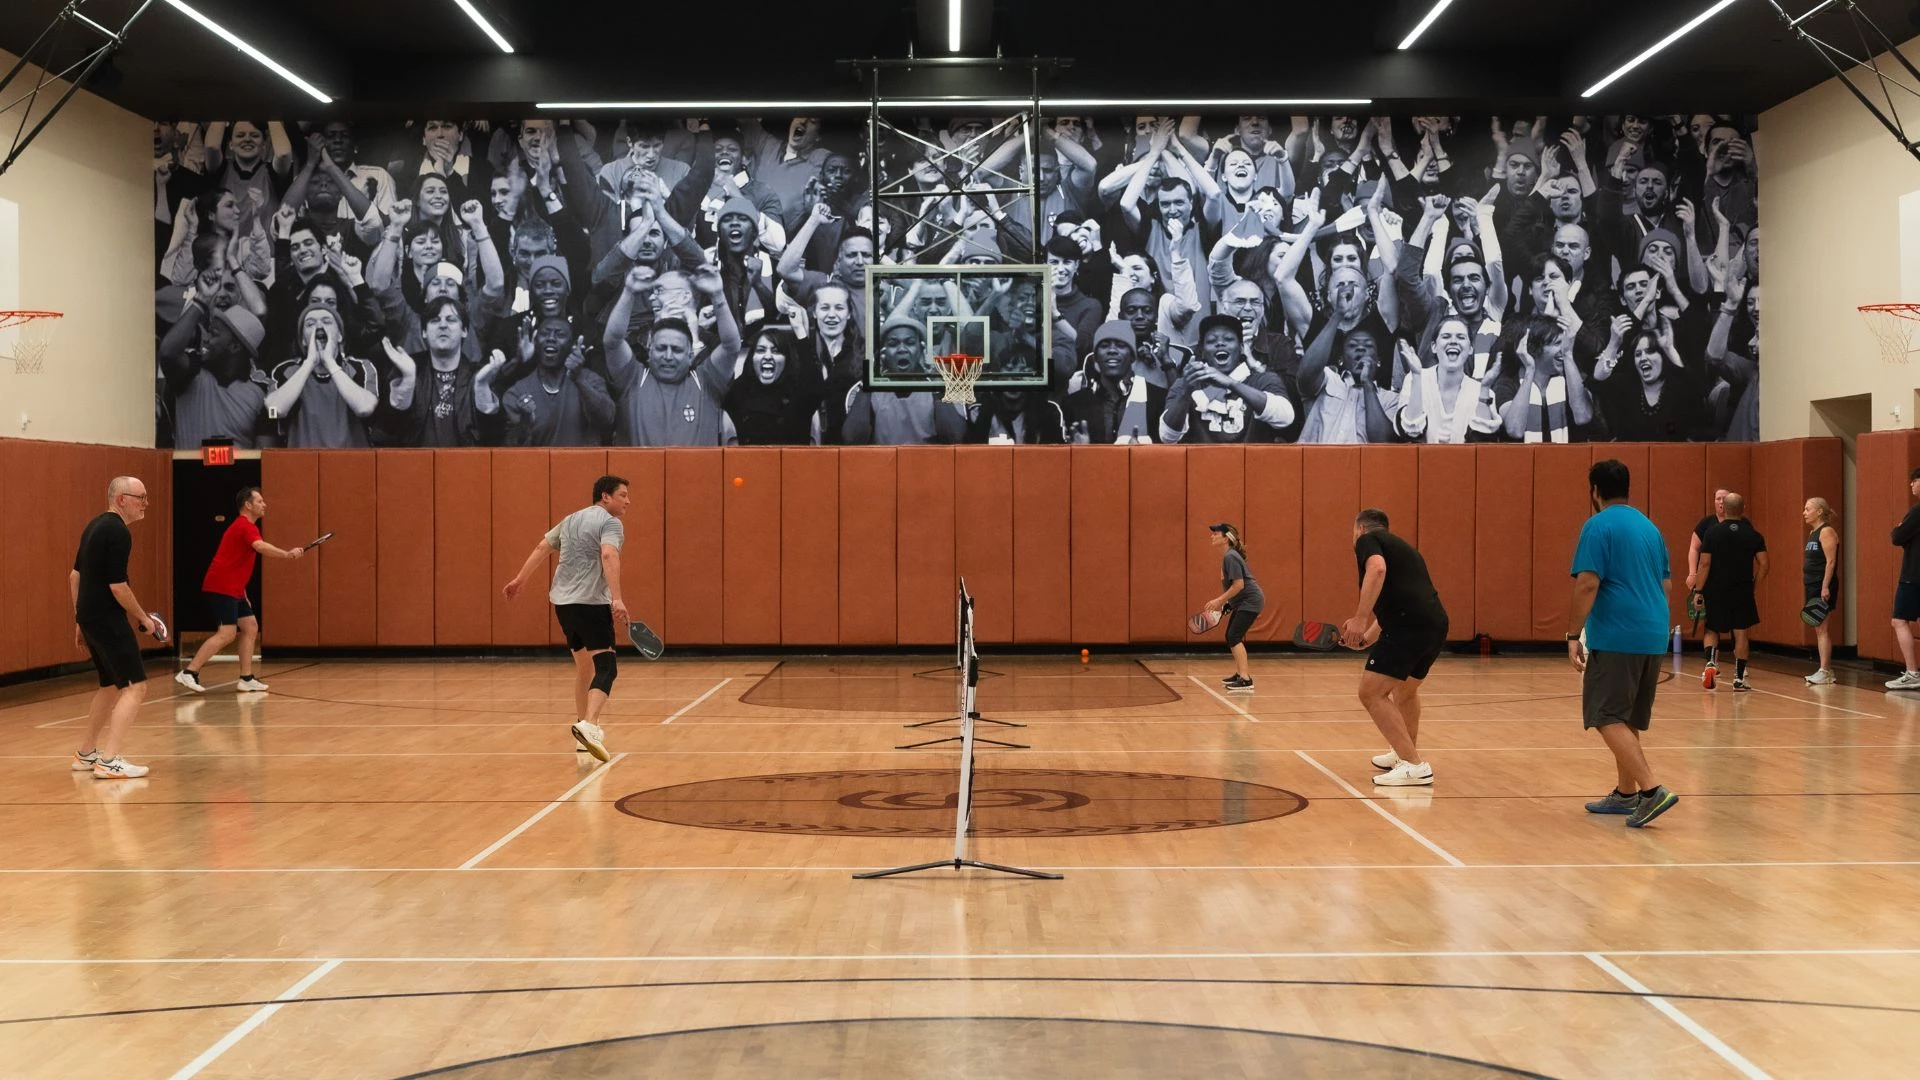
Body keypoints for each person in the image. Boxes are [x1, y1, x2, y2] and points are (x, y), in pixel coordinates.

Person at [1569, 459, 1679, 827]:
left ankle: (1651, 791)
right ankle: (1626, 793)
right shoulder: (1650, 528)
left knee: (1605, 715)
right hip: (1653, 633)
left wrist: (1573, 634)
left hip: (1618, 634)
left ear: (1595, 492)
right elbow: (1665, 585)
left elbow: (1587, 583)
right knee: (1626, 715)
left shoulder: (1597, 526)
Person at [502, 474, 632, 761]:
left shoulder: (571, 519)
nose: (627, 501)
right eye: (622, 495)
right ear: (605, 496)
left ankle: (583, 735)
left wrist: (519, 579)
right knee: (607, 667)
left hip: (563, 603)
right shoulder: (610, 523)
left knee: (584, 668)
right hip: (590, 604)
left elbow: (542, 548)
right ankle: (590, 724)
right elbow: (609, 555)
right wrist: (617, 597)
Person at [1342, 509, 1449, 787]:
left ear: (1360, 528)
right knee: (1405, 689)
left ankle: (1413, 765)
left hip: (1408, 626)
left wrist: (1359, 617)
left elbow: (1377, 569)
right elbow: (1400, 599)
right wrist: (1366, 636)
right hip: (1433, 623)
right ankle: (1404, 753)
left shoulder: (1368, 541)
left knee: (1370, 692)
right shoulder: (1404, 548)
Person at [70, 477, 164, 780]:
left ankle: (86, 754)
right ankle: (109, 761)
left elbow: (74, 577)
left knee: (109, 685)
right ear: (122, 499)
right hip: (107, 618)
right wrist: (144, 619)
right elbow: (118, 587)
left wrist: (79, 619)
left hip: (90, 617)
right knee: (136, 686)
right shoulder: (118, 531)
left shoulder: (94, 525)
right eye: (141, 497)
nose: (146, 503)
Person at [175, 486, 305, 694]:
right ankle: (189, 672)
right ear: (248, 505)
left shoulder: (245, 527)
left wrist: (242, 592)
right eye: (260, 501)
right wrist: (287, 554)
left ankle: (246, 678)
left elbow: (234, 560)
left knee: (250, 626)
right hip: (221, 586)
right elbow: (260, 547)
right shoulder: (245, 526)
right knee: (227, 633)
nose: (265, 505)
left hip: (234, 588)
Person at [1689, 492, 1768, 691]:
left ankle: (1710, 663)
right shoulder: (1753, 534)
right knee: (1741, 633)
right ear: (1743, 509)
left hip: (1716, 589)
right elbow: (1765, 564)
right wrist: (1754, 584)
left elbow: (1705, 563)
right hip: (1742, 589)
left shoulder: (1712, 533)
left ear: (1724, 508)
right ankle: (1740, 678)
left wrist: (1699, 591)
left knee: (1711, 629)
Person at [1201, 523, 1263, 691]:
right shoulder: (1229, 556)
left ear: (1226, 538)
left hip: (1250, 601)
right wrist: (1229, 604)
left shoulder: (1231, 557)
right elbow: (1235, 588)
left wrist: (1219, 601)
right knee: (1231, 636)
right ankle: (1240, 673)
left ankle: (1245, 679)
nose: (1212, 536)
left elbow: (1239, 585)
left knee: (1234, 636)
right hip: (1242, 602)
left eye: (1216, 533)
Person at [1688, 488, 1730, 669]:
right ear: (1714, 501)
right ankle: (1711, 663)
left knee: (1737, 627)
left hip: (1732, 580)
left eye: (1725, 499)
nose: (1721, 502)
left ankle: (1741, 669)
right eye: (1718, 498)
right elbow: (1694, 548)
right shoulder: (1707, 524)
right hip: (1709, 581)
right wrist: (1692, 573)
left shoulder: (1741, 525)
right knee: (1711, 623)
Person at [1802, 497, 1840, 685]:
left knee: (1822, 628)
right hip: (1812, 584)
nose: (1804, 512)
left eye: (1807, 509)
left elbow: (1831, 561)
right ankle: (1824, 669)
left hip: (1821, 585)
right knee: (1818, 629)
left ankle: (1826, 670)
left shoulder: (1826, 532)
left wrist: (1825, 586)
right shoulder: (1813, 532)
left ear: (1819, 512)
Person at [1888, 468, 1920, 690]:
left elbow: (1897, 537)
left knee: (1899, 620)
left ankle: (1912, 672)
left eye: (1914, 481)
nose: (1911, 485)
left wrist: (1897, 528)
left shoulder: (1917, 511)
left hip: (1913, 575)